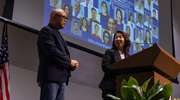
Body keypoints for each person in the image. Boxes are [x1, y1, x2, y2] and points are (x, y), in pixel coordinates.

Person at [37, 8, 79, 100]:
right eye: (63, 17)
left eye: (66, 18)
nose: (65, 20)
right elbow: (52, 51)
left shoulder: (58, 34)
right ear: (54, 18)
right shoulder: (46, 31)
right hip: (51, 77)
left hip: (61, 79)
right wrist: (69, 62)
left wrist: (71, 65)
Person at [99, 30, 131, 100]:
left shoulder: (129, 57)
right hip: (110, 88)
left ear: (125, 40)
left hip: (124, 90)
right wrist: (119, 72)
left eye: (120, 37)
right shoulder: (110, 52)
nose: (118, 39)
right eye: (116, 38)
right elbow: (105, 66)